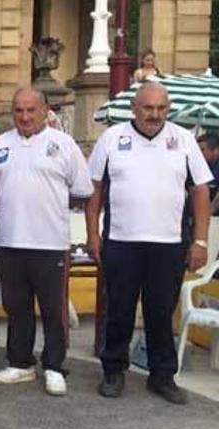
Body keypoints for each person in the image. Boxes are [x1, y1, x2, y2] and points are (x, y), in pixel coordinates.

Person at [86, 82, 212, 405]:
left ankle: (162, 375)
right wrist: (92, 235)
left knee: (160, 311)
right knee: (120, 310)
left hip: (169, 245)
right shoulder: (111, 139)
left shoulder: (183, 140)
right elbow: (95, 190)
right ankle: (113, 370)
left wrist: (199, 240)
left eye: (161, 109)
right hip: (121, 242)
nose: (154, 115)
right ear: (134, 108)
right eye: (148, 108)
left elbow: (200, 190)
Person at [0, 87, 93, 397]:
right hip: (10, 242)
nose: (25, 116)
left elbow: (82, 189)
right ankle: (20, 362)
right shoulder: (0, 145)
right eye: (19, 110)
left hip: (50, 243)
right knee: (16, 307)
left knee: (53, 308)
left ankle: (54, 366)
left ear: (45, 111)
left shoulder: (64, 144)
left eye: (31, 110)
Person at [196, 133, 219, 203]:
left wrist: (209, 212)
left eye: (202, 150)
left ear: (216, 150)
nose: (199, 153)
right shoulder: (207, 164)